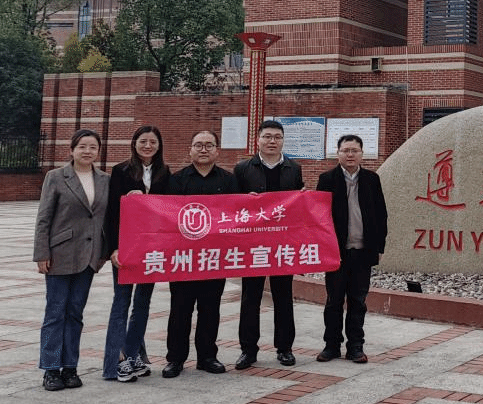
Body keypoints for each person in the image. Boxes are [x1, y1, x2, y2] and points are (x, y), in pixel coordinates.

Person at [33, 129, 109, 391]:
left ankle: (70, 367)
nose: (87, 151)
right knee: (55, 313)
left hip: (89, 256)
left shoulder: (105, 180)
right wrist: (42, 253)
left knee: (75, 313)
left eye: (92, 147)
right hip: (60, 255)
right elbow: (44, 218)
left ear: (98, 151)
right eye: (82, 147)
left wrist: (103, 253)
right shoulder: (56, 177)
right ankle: (51, 369)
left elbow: (107, 218)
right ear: (72, 150)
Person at [160, 129, 239, 378]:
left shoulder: (229, 181)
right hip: (183, 258)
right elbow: (167, 217)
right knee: (180, 310)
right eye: (198, 145)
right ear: (190, 150)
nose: (203, 149)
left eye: (209, 145)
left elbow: (238, 214)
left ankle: (207, 356)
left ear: (217, 151)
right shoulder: (176, 180)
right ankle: (175, 359)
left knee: (210, 309)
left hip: (214, 257)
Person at [233, 120, 305, 369]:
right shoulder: (243, 168)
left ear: (283, 141)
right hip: (253, 244)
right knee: (250, 297)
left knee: (283, 296)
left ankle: (284, 348)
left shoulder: (294, 169)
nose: (272, 141)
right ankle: (248, 350)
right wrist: (245, 200)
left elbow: (297, 207)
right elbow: (232, 206)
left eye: (277, 137)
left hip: (282, 244)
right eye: (267, 136)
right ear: (258, 140)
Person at [102, 125, 171, 382]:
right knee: (121, 302)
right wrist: (114, 248)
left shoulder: (165, 172)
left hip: (151, 248)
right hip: (126, 246)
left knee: (142, 303)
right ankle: (116, 360)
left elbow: (169, 209)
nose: (148, 146)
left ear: (159, 145)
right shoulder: (121, 171)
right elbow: (111, 213)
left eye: (153, 142)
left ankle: (132, 354)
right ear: (134, 143)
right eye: (143, 141)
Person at [315, 134, 387, 363]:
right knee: (334, 301)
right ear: (338, 153)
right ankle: (331, 345)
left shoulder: (372, 179)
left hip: (363, 251)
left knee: (358, 302)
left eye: (354, 150)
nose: (350, 154)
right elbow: (319, 217)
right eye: (345, 150)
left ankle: (355, 347)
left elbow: (381, 214)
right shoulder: (327, 179)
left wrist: (379, 246)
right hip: (336, 252)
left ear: (361, 154)